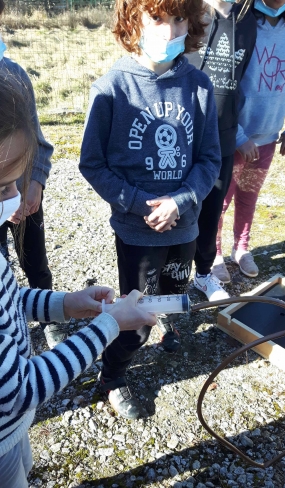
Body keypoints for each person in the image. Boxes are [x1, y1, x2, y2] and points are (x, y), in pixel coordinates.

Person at [0, 74, 156, 488]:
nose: (15, 196)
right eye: (1, 186)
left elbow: (9, 298)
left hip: (11, 432)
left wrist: (66, 304)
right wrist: (107, 326)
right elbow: (19, 389)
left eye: (18, 179)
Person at [80, 0, 221, 419]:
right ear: (133, 20)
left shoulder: (198, 85)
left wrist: (181, 200)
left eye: (178, 18)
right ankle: (112, 376)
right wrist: (142, 205)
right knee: (137, 319)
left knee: (175, 294)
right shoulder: (112, 88)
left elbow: (210, 158)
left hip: (185, 226)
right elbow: (93, 164)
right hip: (137, 231)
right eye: (157, 17)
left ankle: (169, 327)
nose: (169, 29)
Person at [216, 0, 285, 278]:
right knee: (221, 200)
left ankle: (241, 248)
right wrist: (238, 135)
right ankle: (213, 254)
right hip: (232, 137)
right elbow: (224, 81)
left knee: (249, 195)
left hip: (268, 136)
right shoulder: (240, 22)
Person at [0, 0, 64, 349]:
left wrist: (33, 186)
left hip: (24, 198)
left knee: (35, 261)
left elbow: (39, 144)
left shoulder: (16, 77)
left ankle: (49, 316)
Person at [187, 0, 257, 300]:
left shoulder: (247, 20)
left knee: (212, 210)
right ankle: (166, 280)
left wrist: (237, 131)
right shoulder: (190, 11)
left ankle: (203, 275)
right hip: (186, 134)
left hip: (224, 137)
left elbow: (242, 79)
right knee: (181, 210)